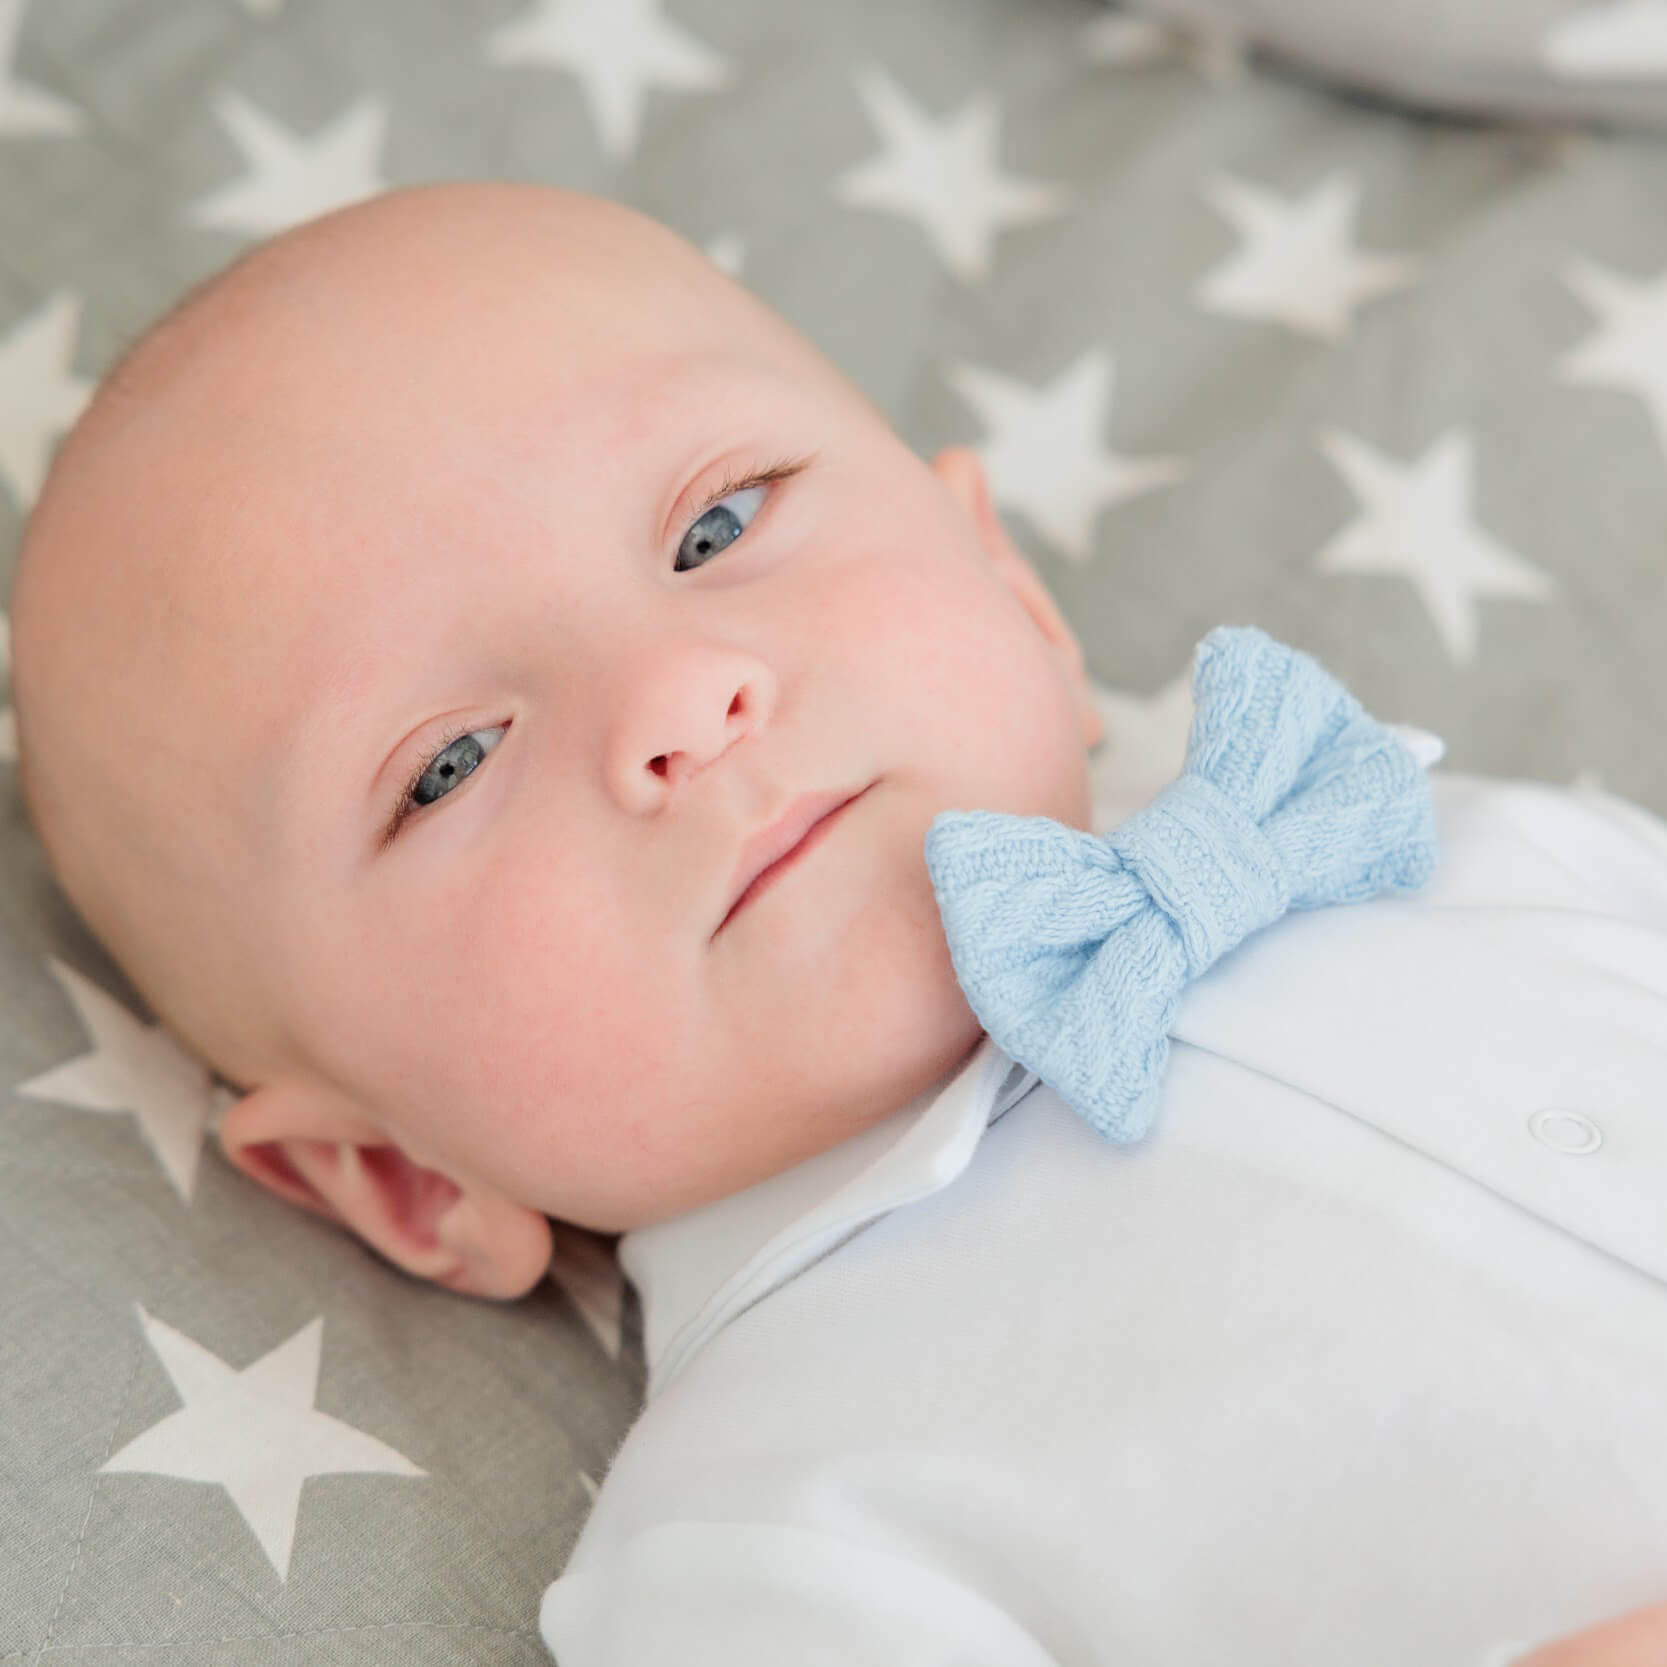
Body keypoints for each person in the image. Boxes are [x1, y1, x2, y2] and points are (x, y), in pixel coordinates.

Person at [8, 180, 1665, 1665]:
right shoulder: (769, 1536)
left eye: (717, 526)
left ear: (1013, 591)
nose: (682, 692)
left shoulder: (1447, 839)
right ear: (402, 1177)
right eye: (447, 764)